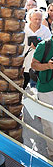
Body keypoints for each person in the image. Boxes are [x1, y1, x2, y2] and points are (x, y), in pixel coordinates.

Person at [31, 26, 53, 161]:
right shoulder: (44, 45)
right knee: (49, 123)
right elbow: (34, 65)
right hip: (46, 89)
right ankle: (52, 153)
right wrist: (49, 66)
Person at [23, 8, 51, 90]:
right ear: (30, 18)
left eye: (39, 19)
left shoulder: (45, 31)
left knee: (35, 89)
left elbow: (49, 46)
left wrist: (40, 47)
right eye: (35, 19)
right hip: (24, 64)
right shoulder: (23, 29)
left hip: (38, 66)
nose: (37, 21)